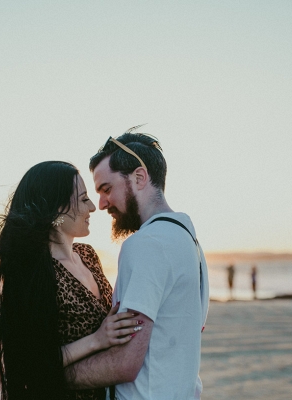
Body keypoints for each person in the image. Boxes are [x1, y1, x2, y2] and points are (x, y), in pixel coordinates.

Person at [0, 161, 143, 400]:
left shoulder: (88, 256)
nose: (92, 207)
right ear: (57, 210)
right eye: (83, 199)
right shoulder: (32, 272)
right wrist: (97, 340)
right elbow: (30, 364)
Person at [65, 131, 210, 399]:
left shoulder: (147, 244)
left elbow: (125, 364)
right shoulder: (190, 241)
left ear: (139, 177)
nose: (102, 203)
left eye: (107, 189)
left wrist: (51, 376)